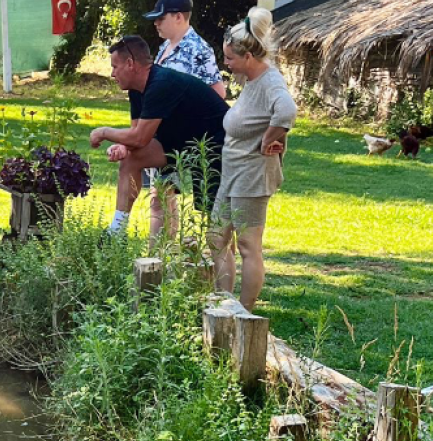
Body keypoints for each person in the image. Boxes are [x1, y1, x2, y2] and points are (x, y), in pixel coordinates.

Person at [89, 36, 229, 238]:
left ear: (130, 64)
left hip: (215, 144)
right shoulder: (137, 89)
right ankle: (117, 232)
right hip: (181, 142)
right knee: (131, 158)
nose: (112, 73)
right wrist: (123, 146)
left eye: (115, 66)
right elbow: (136, 135)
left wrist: (104, 132)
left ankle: (226, 266)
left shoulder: (161, 83)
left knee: (214, 221)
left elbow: (139, 139)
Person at [208, 7, 297, 309]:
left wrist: (272, 139)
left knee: (247, 245)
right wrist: (272, 136)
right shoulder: (252, 81)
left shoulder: (270, 81)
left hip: (252, 176)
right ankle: (224, 303)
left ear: (248, 57)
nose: (226, 63)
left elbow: (286, 111)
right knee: (216, 238)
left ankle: (244, 314)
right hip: (233, 174)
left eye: (230, 58)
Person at [143, 0, 226, 241]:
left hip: (197, 139)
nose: (156, 23)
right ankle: (158, 257)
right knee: (161, 197)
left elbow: (217, 93)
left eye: (161, 17)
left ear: (179, 17)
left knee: (207, 206)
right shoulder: (164, 48)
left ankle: (207, 262)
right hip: (167, 137)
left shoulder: (198, 49)